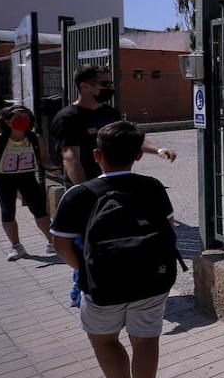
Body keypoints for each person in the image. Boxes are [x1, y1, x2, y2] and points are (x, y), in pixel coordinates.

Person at [50, 121, 183, 378]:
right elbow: (169, 227)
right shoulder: (151, 186)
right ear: (138, 155)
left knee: (105, 341)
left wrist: (83, 270)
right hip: (151, 281)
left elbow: (61, 243)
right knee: (145, 343)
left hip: (101, 286)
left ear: (97, 155)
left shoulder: (79, 194)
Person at [51, 65, 177, 306]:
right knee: (87, 248)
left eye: (110, 83)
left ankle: (108, 293)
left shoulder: (109, 112)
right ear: (85, 86)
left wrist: (158, 150)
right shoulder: (68, 118)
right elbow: (70, 158)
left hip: (116, 193)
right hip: (90, 195)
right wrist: (87, 194)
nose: (110, 88)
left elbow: (132, 137)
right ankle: (84, 296)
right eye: (104, 84)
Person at [0, 105, 59, 260]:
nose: (22, 120)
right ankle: (16, 246)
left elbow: (44, 158)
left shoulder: (35, 138)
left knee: (40, 213)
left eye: (25, 117)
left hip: (27, 177)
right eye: (18, 118)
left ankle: (53, 243)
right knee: (7, 212)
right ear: (7, 121)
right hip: (4, 179)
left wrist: (51, 167)